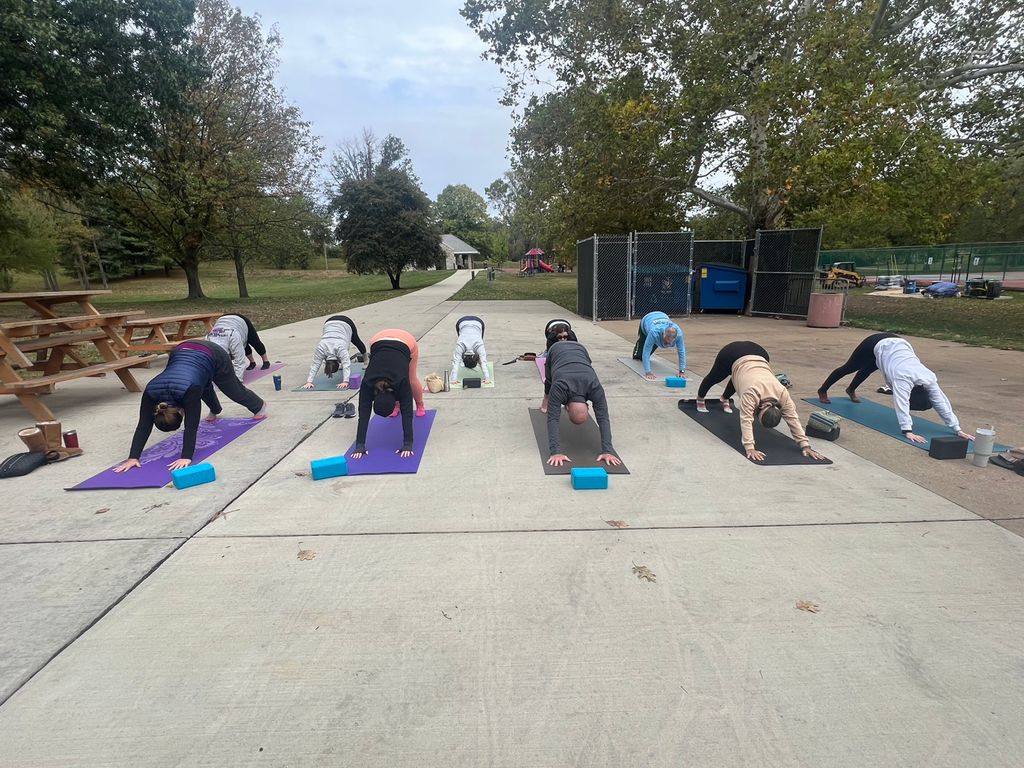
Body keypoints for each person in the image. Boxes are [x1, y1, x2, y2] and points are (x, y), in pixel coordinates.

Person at [114, 340, 267, 472]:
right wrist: (133, 457)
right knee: (200, 379)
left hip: (213, 353)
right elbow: (144, 425)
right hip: (182, 350)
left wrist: (186, 457)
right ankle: (216, 409)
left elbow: (191, 426)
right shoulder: (151, 391)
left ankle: (259, 405)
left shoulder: (189, 391)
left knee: (232, 390)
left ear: (182, 412)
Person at [817, 333, 975, 444]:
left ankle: (850, 390)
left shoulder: (929, 378)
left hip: (897, 347)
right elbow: (901, 403)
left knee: (869, 368)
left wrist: (957, 428)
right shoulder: (902, 380)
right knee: (850, 367)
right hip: (877, 342)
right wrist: (908, 431)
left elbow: (941, 401)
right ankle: (823, 389)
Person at [696, 341, 825, 463]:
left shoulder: (782, 393)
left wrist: (805, 446)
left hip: (760, 355)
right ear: (761, 407)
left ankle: (724, 398)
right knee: (714, 377)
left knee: (739, 375)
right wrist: (750, 448)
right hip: (732, 352)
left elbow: (792, 418)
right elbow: (746, 419)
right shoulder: (751, 394)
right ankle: (700, 398)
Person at [541, 339, 621, 468]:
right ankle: (545, 400)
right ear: (588, 406)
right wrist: (555, 452)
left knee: (553, 388)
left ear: (566, 407)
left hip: (581, 351)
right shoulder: (560, 388)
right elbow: (603, 418)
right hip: (556, 350)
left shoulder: (595, 388)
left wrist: (608, 450)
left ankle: (546, 401)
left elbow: (554, 418)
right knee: (549, 381)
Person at [350, 329, 426, 460]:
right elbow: (363, 414)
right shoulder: (367, 383)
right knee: (402, 375)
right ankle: (395, 406)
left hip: (405, 340)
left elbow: (407, 413)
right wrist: (360, 446)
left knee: (411, 378)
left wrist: (408, 445)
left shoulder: (402, 382)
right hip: (377, 340)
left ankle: (420, 405)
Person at [301, 315, 368, 390]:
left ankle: (366, 360)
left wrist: (345, 381)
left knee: (356, 340)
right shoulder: (321, 347)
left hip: (345, 323)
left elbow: (346, 364)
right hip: (328, 323)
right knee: (343, 349)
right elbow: (315, 364)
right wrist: (309, 382)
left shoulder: (339, 348)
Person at [206, 313, 270, 381]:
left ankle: (266, 361)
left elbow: (239, 360)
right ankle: (252, 362)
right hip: (222, 321)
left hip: (240, 320)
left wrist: (238, 380)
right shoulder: (208, 339)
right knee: (241, 345)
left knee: (254, 341)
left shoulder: (234, 337)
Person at [632, 310, 687, 380]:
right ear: (663, 335)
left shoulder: (679, 335)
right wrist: (648, 372)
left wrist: (682, 371)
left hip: (662, 316)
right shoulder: (654, 333)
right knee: (641, 351)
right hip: (647, 320)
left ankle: (654, 345)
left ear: (675, 338)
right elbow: (646, 351)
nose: (667, 344)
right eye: (665, 341)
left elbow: (681, 351)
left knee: (652, 348)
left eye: (669, 343)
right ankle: (636, 353)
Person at [449, 315, 491, 385]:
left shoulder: (462, 344)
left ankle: (465, 355)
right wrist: (487, 379)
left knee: (459, 353)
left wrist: (453, 379)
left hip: (471, 322)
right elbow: (483, 362)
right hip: (466, 322)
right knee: (478, 341)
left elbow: (456, 362)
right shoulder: (477, 345)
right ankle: (466, 355)